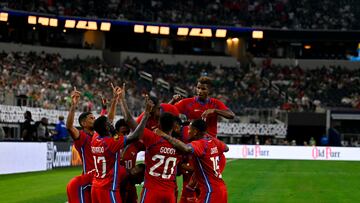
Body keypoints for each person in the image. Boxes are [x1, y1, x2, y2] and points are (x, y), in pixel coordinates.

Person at [117, 86, 181, 203]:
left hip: (152, 189)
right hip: (169, 191)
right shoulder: (179, 146)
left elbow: (129, 120)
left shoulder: (151, 137)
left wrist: (122, 99)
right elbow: (187, 150)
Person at [90, 96, 153, 203]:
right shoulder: (111, 143)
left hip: (95, 187)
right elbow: (136, 135)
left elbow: (102, 125)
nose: (111, 124)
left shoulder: (95, 139)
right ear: (106, 127)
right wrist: (146, 115)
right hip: (108, 189)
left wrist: (109, 105)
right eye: (109, 124)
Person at [66, 85, 122, 203]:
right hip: (89, 180)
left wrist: (114, 101)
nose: (94, 119)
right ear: (83, 123)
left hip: (102, 179)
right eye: (91, 118)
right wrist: (73, 105)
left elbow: (109, 120)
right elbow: (69, 126)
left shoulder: (97, 135)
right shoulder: (81, 137)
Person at [156, 119, 229, 203]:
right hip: (222, 190)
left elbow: (186, 148)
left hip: (210, 191)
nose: (188, 131)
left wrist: (164, 135)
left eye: (190, 129)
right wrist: (207, 134)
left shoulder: (200, 144)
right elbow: (226, 148)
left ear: (195, 131)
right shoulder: (213, 141)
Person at [171, 76, 235, 138]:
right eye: (198, 88)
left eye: (203, 89)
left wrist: (214, 110)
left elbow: (231, 115)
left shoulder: (216, 103)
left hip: (210, 141)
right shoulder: (187, 102)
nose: (200, 91)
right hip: (192, 141)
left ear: (209, 90)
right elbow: (165, 110)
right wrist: (173, 101)